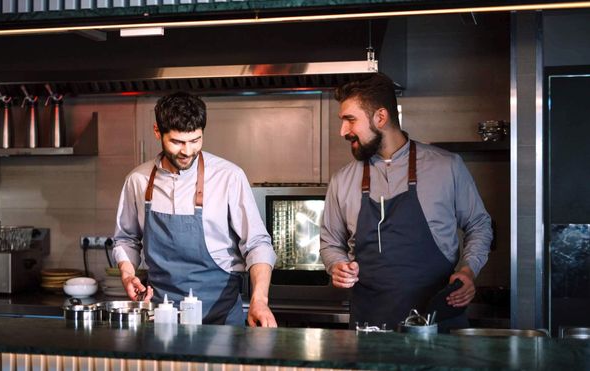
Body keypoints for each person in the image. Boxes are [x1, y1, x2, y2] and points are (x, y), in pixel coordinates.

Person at [319, 73, 493, 332]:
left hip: (436, 326)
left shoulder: (446, 167)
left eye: (350, 120)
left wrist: (468, 270)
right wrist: (337, 265)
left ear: (380, 117)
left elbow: (479, 225)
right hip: (371, 327)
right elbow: (331, 243)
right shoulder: (343, 180)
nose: (343, 131)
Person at [112, 92, 277, 327]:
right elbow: (126, 239)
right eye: (177, 142)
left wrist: (259, 300)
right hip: (160, 318)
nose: (187, 151)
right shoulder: (138, 180)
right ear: (157, 132)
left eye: (195, 140)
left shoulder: (228, 176)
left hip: (220, 320)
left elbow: (257, 244)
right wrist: (128, 274)